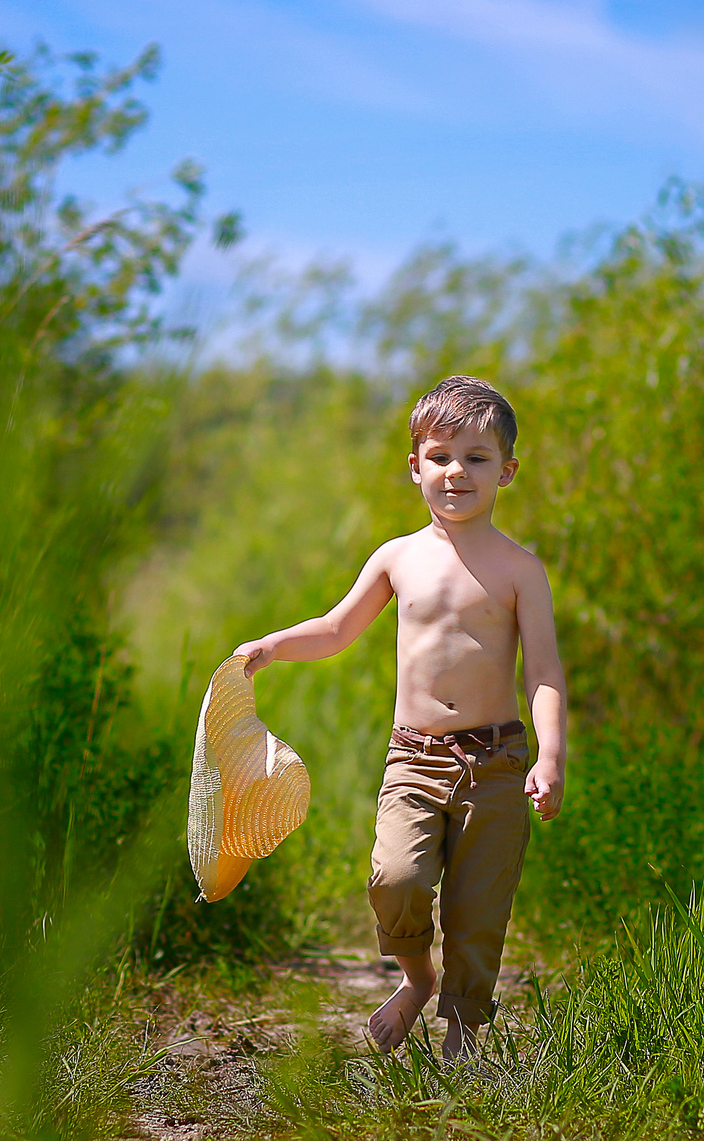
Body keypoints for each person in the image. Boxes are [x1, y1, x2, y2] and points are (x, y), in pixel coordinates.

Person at [232, 375, 567, 1059]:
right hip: (414, 757)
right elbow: (334, 628)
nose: (457, 472)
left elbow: (543, 673)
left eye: (477, 458)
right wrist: (269, 647)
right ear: (415, 465)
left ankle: (462, 1031)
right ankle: (417, 978)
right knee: (396, 878)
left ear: (507, 470)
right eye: (441, 455)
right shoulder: (398, 557)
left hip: (496, 761)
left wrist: (550, 755)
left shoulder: (519, 570)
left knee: (479, 908)